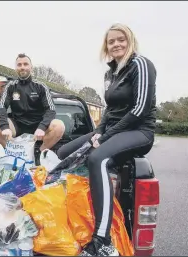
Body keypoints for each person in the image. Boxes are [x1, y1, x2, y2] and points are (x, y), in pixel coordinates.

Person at [57, 23, 157, 256]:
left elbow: (139, 110)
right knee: (64, 154)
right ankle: (74, 210)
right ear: (106, 46)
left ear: (129, 40)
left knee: (98, 158)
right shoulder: (110, 73)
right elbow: (109, 111)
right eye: (111, 41)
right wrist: (100, 131)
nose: (116, 44)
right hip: (114, 128)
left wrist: (106, 137)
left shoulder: (141, 64)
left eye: (120, 39)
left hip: (139, 131)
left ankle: (101, 239)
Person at [0, 53, 65, 154]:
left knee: (59, 126)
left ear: (31, 67)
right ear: (16, 68)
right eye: (19, 65)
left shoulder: (41, 86)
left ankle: (38, 153)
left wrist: (42, 127)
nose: (22, 67)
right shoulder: (10, 86)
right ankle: (11, 150)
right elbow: (1, 108)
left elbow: (51, 110)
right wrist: (5, 127)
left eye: (25, 64)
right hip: (16, 126)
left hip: (38, 127)